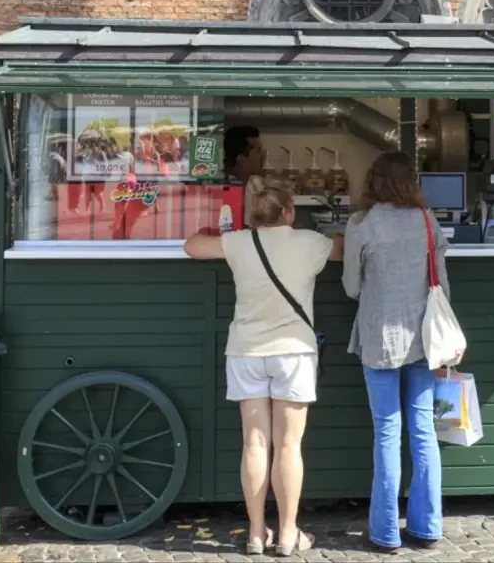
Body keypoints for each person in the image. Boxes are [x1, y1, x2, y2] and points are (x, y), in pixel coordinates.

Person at [183, 177, 341, 556]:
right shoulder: (309, 243)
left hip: (246, 351)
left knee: (253, 443)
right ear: (288, 212)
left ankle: (256, 532)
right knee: (289, 445)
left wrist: (210, 228)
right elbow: (347, 250)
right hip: (294, 353)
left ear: (254, 216)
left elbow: (191, 246)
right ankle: (288, 533)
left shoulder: (238, 242)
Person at [342, 150, 449, 553]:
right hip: (424, 337)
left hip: (380, 338)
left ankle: (385, 533)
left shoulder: (362, 224)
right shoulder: (427, 220)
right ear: (412, 181)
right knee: (423, 431)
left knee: (387, 432)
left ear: (373, 180)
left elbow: (352, 287)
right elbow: (443, 285)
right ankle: (426, 528)